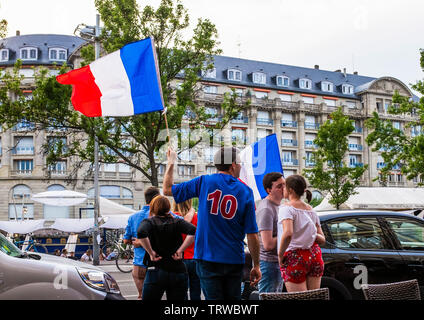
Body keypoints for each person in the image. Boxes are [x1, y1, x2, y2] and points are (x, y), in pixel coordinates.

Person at [163, 146, 261, 300]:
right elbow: (252, 234)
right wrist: (256, 265)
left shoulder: (204, 182)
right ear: (233, 165)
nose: (241, 166)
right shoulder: (246, 191)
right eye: (240, 163)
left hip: (206, 258)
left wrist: (170, 162)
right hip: (233, 258)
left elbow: (167, 189)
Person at [136, 195, 196, 300]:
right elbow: (193, 231)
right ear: (168, 208)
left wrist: (150, 252)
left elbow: (141, 232)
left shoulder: (149, 222)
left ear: (153, 208)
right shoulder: (177, 222)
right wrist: (181, 250)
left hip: (156, 269)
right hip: (177, 269)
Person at [277, 174, 326, 293]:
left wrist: (280, 254)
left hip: (295, 257)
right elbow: (322, 240)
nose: (283, 189)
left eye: (284, 186)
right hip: (314, 255)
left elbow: (288, 233)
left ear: (290, 190)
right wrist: (310, 234)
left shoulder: (287, 208)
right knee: (314, 297)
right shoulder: (311, 210)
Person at [123, 186, 160, 300]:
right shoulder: (165, 215)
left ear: (146, 199)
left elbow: (125, 240)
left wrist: (138, 241)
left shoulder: (133, 217)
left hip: (140, 263)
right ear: (157, 198)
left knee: (142, 296)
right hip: (159, 262)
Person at [256, 172, 285, 294]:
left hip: (276, 261)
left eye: (284, 184)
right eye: (279, 186)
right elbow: (268, 244)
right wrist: (288, 234)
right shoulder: (266, 209)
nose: (284, 188)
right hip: (269, 263)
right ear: (269, 190)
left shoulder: (279, 205)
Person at [172, 199, 202, 300]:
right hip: (195, 257)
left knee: (181, 291)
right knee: (196, 291)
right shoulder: (197, 217)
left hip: (179, 258)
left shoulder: (172, 217)